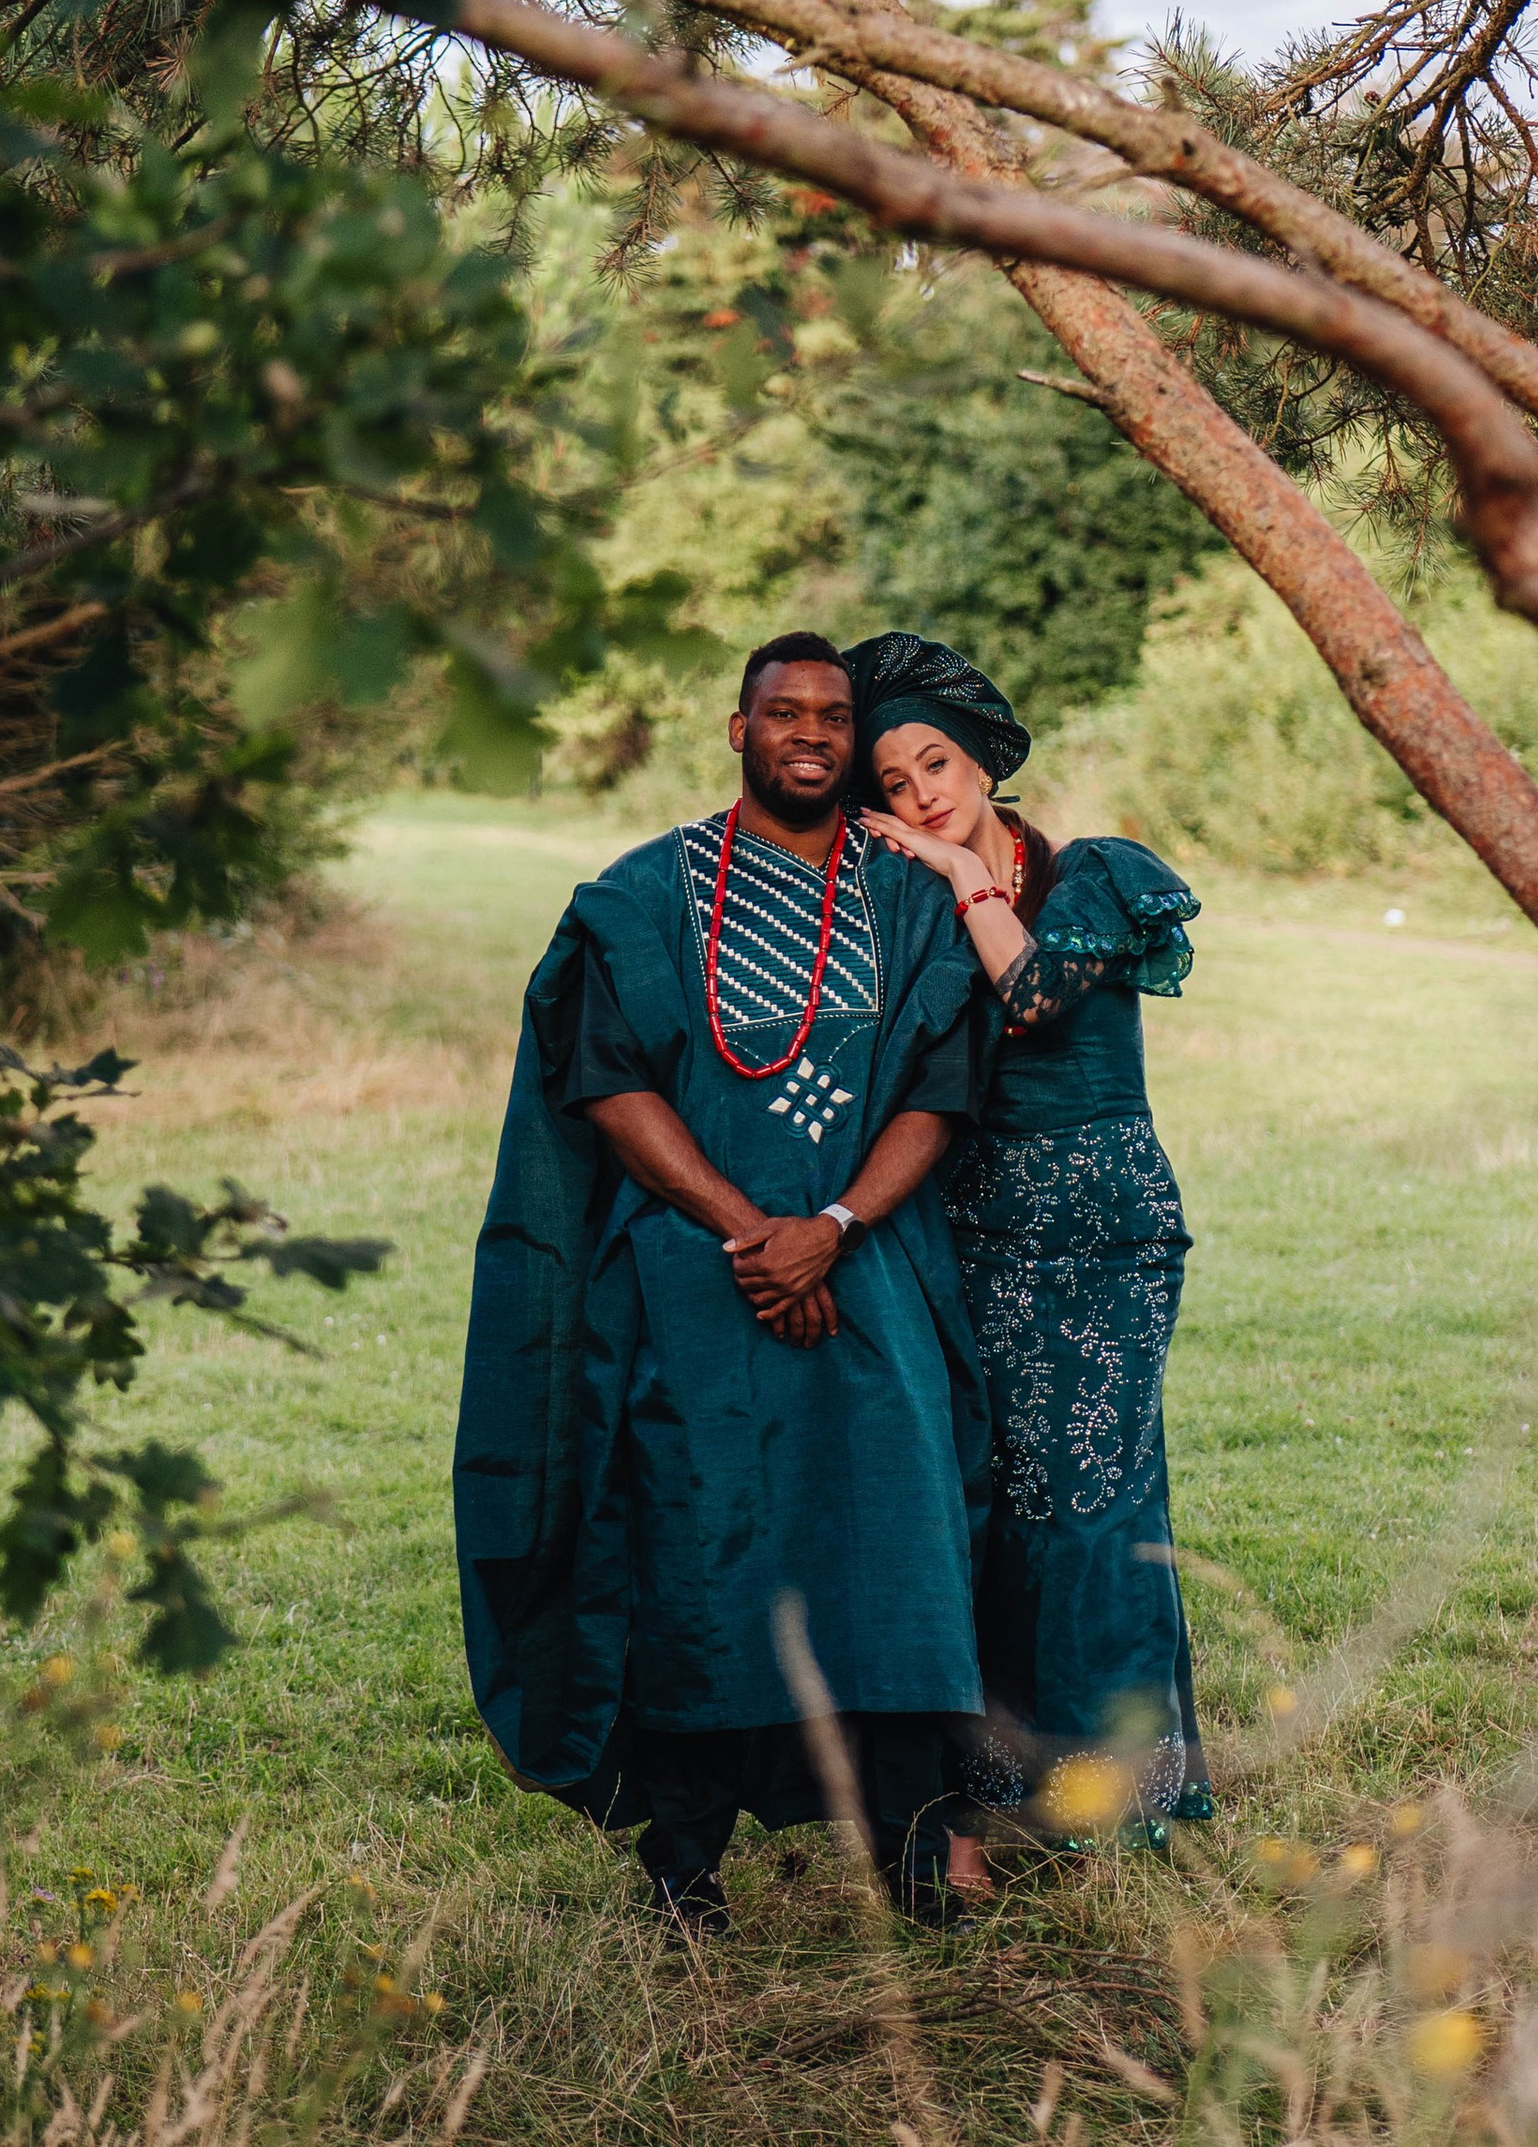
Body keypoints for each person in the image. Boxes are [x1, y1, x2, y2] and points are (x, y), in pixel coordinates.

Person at [454, 632, 996, 1936]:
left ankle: (918, 1856)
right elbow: (608, 1077)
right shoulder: (642, 897)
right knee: (700, 1548)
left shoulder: (911, 900)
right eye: (783, 712)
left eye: (831, 715)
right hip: (695, 1286)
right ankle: (685, 1867)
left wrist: (834, 1223)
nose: (809, 732)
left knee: (899, 1544)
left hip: (871, 1273)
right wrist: (753, 1229)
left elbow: (938, 1090)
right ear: (738, 727)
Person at [846, 629, 1213, 1873]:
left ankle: (1121, 1797)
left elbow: (1043, 998)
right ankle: (1005, 1794)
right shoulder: (911, 902)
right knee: (996, 1511)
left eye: (934, 764)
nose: (921, 795)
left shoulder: (1095, 873)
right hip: (980, 1234)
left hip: (1107, 1232)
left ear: (981, 754)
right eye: (892, 787)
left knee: (1094, 1508)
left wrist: (959, 871)